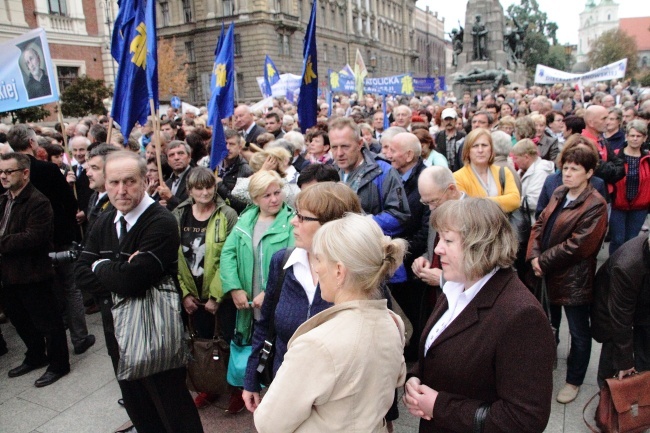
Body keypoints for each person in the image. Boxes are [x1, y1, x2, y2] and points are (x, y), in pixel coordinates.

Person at [74, 151, 204, 432]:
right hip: (117, 335)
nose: (121, 190)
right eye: (114, 182)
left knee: (174, 412)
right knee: (140, 411)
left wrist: (102, 266)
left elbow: (132, 281)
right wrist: (115, 271)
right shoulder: (105, 220)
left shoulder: (161, 221)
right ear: (104, 184)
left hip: (156, 333)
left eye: (130, 181)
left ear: (146, 180)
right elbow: (80, 273)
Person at [404, 198, 555, 433]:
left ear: (481, 245)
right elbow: (440, 346)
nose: (437, 249)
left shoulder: (522, 316)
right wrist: (416, 378)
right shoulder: (457, 285)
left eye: (449, 240)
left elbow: (525, 419)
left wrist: (439, 406)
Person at [254, 213, 407, 432]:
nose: (316, 267)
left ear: (339, 271)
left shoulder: (317, 344)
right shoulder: (392, 323)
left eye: (319, 259)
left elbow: (268, 423)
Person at [242, 182, 362, 410]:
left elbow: (375, 348)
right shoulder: (283, 262)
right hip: (286, 393)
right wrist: (251, 379)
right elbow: (264, 325)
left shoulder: (357, 272)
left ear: (331, 226)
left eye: (302, 217)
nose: (292, 221)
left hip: (336, 404)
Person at [527, 145, 608, 404]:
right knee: (548, 323)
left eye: (575, 169)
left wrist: (543, 261)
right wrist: (533, 255)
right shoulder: (560, 192)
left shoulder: (596, 204)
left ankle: (574, 380)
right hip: (548, 273)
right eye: (566, 168)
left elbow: (578, 246)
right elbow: (540, 223)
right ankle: (544, 367)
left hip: (573, 279)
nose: (568, 173)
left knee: (579, 333)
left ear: (589, 173)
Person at [220, 170, 295, 414]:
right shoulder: (246, 220)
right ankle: (255, 395)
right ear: (254, 199)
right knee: (253, 350)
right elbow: (228, 254)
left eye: (277, 193)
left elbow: (291, 263)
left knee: (277, 357)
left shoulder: (290, 222)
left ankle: (279, 407)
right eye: (267, 195)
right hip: (248, 304)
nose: (274, 199)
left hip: (276, 305)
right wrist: (234, 288)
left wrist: (268, 292)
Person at [0, 153, 70, 387]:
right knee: (20, 320)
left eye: (9, 172)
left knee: (49, 322)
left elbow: (34, 237)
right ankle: (36, 355)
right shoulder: (5, 199)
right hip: (8, 275)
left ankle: (59, 364)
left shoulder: (38, 202)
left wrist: (2, 242)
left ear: (25, 173)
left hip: (33, 273)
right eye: (1, 172)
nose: (3, 176)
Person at [173, 167, 238, 408]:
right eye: (199, 188)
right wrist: (185, 294)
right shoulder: (178, 214)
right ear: (190, 191)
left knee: (227, 341)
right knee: (202, 342)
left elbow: (229, 257)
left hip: (220, 294)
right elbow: (175, 257)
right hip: (193, 294)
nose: (205, 192)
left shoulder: (227, 214)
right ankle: (209, 385)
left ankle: (235, 390)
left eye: (209, 186)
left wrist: (216, 296)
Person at [592, 232, 650, 387]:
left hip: (642, 303)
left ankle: (642, 389)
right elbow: (620, 318)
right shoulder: (627, 266)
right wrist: (625, 362)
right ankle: (607, 394)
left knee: (644, 349)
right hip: (611, 307)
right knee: (613, 350)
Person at [452, 128, 520, 213]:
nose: (480, 150)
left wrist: (481, 203)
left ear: (491, 149)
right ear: (467, 151)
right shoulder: (457, 177)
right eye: (475, 146)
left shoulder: (503, 172)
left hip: (502, 225)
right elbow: (465, 208)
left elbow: (515, 200)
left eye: (484, 145)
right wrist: (501, 202)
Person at [608, 120, 650, 254]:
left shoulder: (648, 158)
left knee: (631, 240)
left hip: (640, 206)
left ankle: (626, 268)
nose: (635, 139)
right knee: (617, 239)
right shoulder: (615, 155)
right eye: (632, 135)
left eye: (638, 136)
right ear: (626, 136)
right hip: (618, 204)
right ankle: (612, 268)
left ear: (645, 138)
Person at [511, 138, 555, 225]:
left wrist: (511, 199)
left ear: (526, 157)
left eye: (516, 158)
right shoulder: (523, 170)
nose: (514, 161)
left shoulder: (541, 172)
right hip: (524, 220)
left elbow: (534, 201)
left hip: (533, 223)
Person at [216, 129, 254, 214]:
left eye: (232, 144)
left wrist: (220, 185)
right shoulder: (214, 165)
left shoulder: (246, 171)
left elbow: (242, 205)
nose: (227, 148)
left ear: (240, 147)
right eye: (225, 144)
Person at [157, 141, 192, 210]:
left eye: (180, 153)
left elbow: (192, 209)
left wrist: (170, 198)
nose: (176, 158)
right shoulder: (167, 183)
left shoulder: (196, 178)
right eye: (171, 155)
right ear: (168, 161)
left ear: (189, 157)